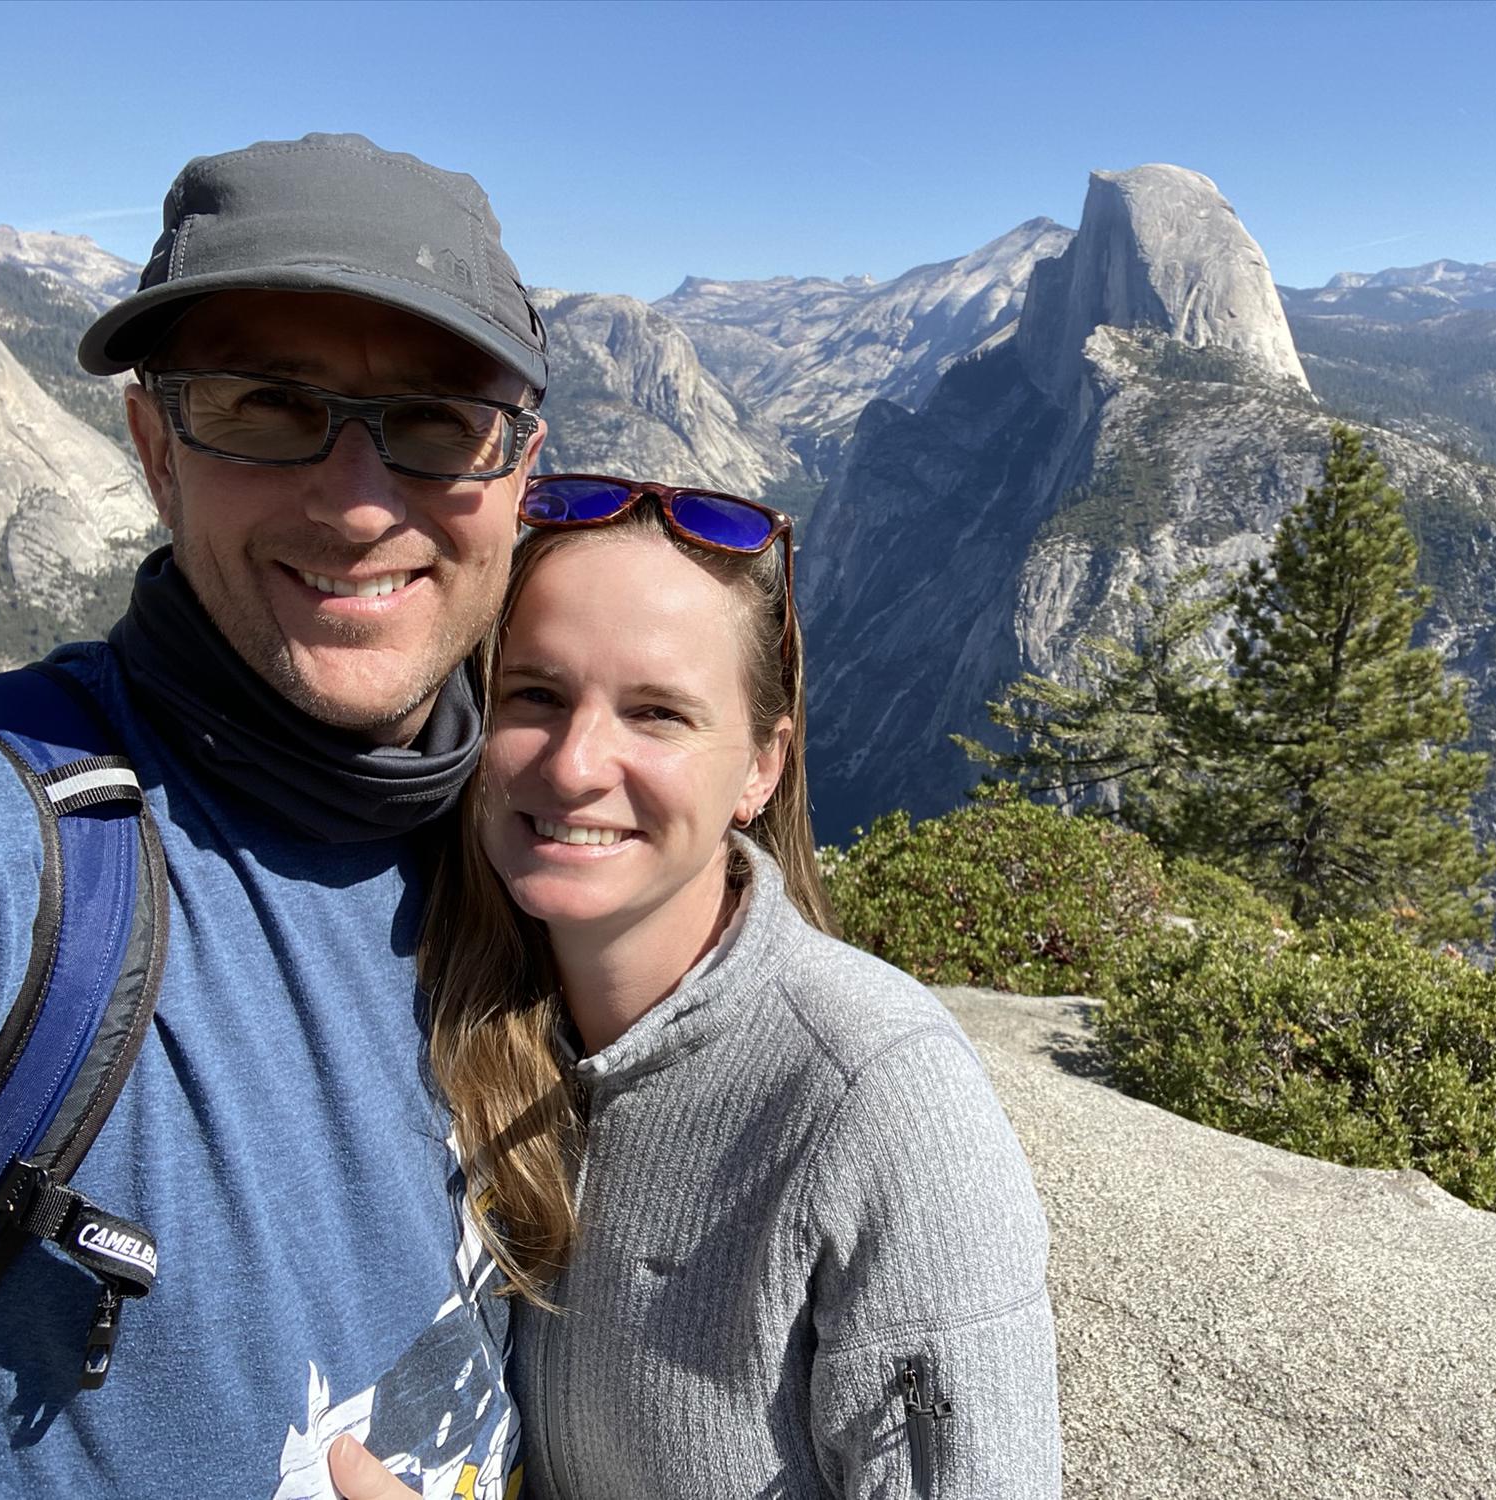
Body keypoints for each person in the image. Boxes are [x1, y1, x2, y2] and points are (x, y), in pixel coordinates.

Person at [0, 134, 549, 1498]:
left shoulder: (542, 841)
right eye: (263, 405)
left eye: (436, 421)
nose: (361, 503)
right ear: (153, 447)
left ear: (518, 474)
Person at [330, 475, 1063, 1500]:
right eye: (534, 694)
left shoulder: (877, 1100)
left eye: (656, 712)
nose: (577, 761)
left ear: (760, 767)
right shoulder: (469, 1017)